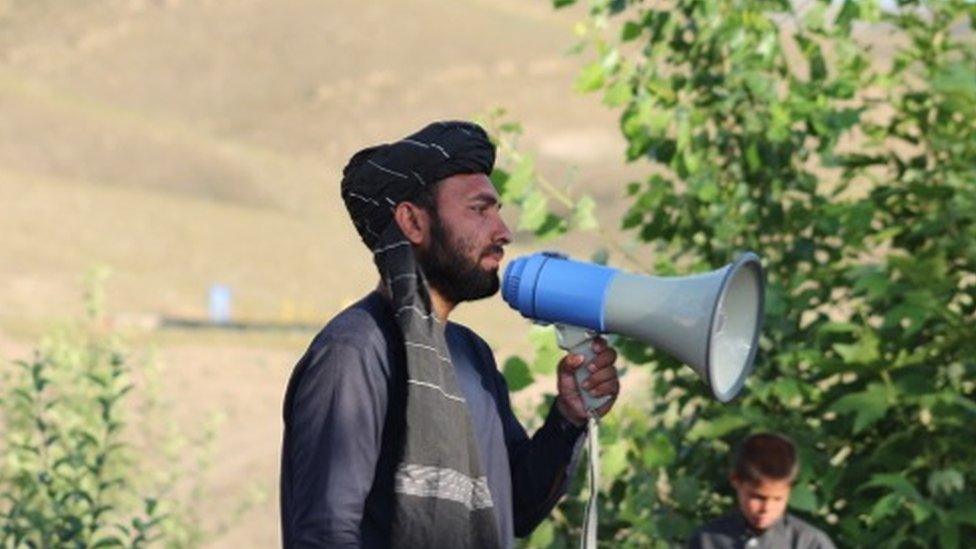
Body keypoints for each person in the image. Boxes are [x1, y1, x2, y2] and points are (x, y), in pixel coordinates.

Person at [279, 121, 621, 548]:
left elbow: (516, 507)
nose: (503, 231)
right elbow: (326, 535)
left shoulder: (471, 355)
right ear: (412, 222)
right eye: (480, 209)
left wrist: (568, 417)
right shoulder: (356, 352)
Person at [687, 432, 835, 549]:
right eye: (758, 498)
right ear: (736, 481)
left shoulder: (810, 543)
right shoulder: (707, 540)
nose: (767, 509)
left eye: (778, 499)